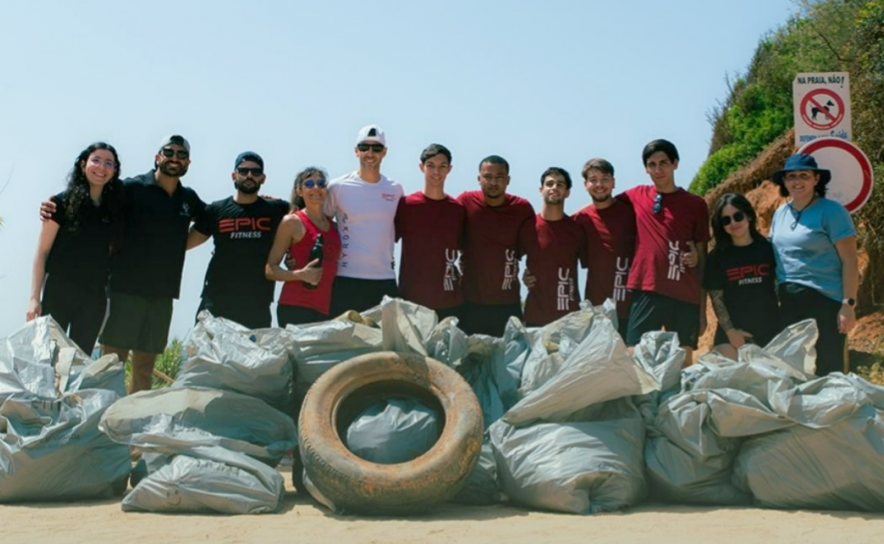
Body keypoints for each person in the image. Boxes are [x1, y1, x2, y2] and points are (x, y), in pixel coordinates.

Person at [41, 135, 206, 393]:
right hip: (124, 291)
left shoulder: (188, 198)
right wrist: (53, 205)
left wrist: (178, 246)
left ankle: (133, 416)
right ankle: (104, 413)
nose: (175, 158)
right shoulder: (131, 188)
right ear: (157, 157)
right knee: (112, 364)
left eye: (181, 155)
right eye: (169, 152)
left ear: (188, 162)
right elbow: (94, 197)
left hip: (163, 295)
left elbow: (212, 220)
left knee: (144, 367)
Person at [27, 142, 125, 353]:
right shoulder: (60, 203)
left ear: (114, 171)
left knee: (80, 360)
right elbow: (42, 252)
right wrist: (34, 299)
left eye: (109, 163)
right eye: (96, 160)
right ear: (83, 165)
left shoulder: (115, 210)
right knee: (49, 357)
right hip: (58, 291)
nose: (101, 167)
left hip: (94, 297)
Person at [769, 153, 858, 376]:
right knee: (794, 372)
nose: (797, 181)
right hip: (788, 303)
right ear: (784, 181)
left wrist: (848, 305)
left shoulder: (832, 211)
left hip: (825, 302)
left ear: (816, 179)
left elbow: (850, 260)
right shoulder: (780, 214)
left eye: (804, 175)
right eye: (791, 176)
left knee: (829, 372)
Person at [621, 139, 708, 364]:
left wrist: (702, 309)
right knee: (634, 355)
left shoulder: (695, 204)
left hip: (684, 291)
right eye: (652, 165)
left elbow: (702, 255)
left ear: (675, 164)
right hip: (647, 287)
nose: (658, 170)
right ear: (646, 169)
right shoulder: (636, 195)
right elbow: (601, 205)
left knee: (683, 361)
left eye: (663, 163)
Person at [187, 151, 290, 329]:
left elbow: (306, 218)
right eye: (243, 171)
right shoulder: (216, 210)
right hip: (216, 298)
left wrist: (292, 257)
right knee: (204, 347)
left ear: (263, 178)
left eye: (255, 172)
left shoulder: (277, 209)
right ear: (234, 176)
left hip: (257, 301)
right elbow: (184, 243)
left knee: (254, 348)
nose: (249, 175)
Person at [323, 125, 403, 315]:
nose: (370, 153)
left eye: (376, 148)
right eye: (364, 147)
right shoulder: (338, 187)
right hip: (346, 279)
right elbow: (319, 223)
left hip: (384, 278)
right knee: (346, 335)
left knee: (385, 335)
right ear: (356, 151)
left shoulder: (395, 189)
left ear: (384, 152)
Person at [457, 155, 535, 336]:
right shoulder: (465, 202)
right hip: (469, 302)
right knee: (466, 354)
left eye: (499, 177)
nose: (493, 182)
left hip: (507, 302)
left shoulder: (522, 208)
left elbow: (535, 247)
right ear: (479, 179)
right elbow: (446, 237)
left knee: (509, 354)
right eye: (488, 177)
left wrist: (532, 272)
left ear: (508, 180)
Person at [703, 193, 779, 360]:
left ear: (749, 216)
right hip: (732, 334)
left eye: (738, 216)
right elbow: (717, 299)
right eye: (726, 220)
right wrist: (731, 332)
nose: (733, 223)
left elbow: (778, 289)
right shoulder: (716, 257)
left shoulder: (768, 249)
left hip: (771, 330)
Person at [394, 144, 465, 319]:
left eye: (442, 166)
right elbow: (385, 243)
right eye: (431, 165)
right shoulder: (406, 205)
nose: (436, 171)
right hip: (412, 300)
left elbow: (466, 249)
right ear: (421, 167)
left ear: (449, 169)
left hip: (450, 299)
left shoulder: (457, 209)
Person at [267, 167, 341, 327]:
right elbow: (270, 269)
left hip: (327, 310)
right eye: (309, 184)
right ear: (299, 191)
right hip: (296, 307)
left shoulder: (335, 227)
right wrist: (300, 275)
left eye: (321, 183)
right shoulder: (292, 222)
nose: (316, 188)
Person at [573, 158, 636, 337]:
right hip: (597, 309)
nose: (599, 185)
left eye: (605, 179)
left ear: (613, 182)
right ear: (585, 185)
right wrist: (531, 273)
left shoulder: (632, 212)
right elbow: (556, 251)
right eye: (593, 180)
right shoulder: (579, 220)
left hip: (632, 306)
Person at [519, 167, 585, 327]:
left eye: (560, 184)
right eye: (549, 184)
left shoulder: (577, 229)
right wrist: (523, 276)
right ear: (541, 190)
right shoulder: (528, 227)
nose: (554, 187)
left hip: (570, 317)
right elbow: (507, 258)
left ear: (567, 192)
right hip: (535, 316)